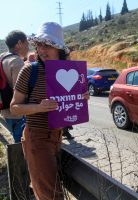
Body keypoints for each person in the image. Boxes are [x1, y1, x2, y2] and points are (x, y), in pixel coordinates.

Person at [10, 22, 89, 200]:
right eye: (39, 45)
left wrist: (80, 99)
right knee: (52, 196)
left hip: (57, 136)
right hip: (37, 138)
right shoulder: (30, 70)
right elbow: (14, 107)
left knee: (47, 192)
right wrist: (39, 107)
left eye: (48, 45)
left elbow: (68, 111)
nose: (42, 50)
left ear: (59, 48)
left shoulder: (70, 71)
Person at [0, 30, 29, 143]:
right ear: (19, 43)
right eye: (26, 42)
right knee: (22, 144)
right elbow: (22, 91)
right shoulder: (17, 63)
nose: (28, 46)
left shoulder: (2, 57)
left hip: (5, 110)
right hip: (18, 114)